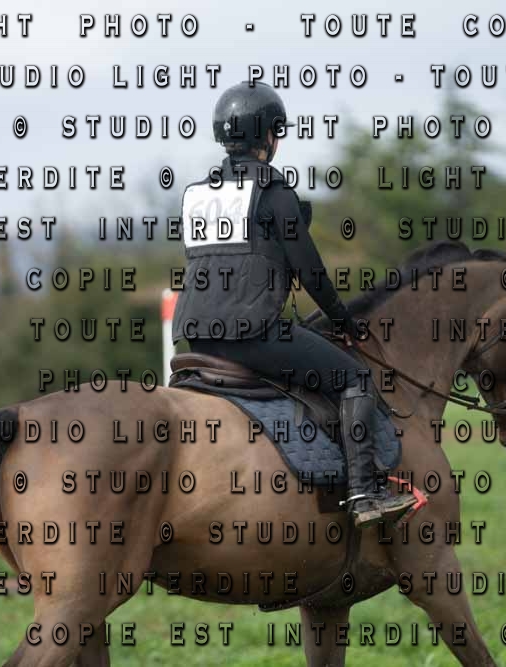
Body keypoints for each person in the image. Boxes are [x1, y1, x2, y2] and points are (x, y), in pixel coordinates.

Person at [171, 81, 416, 528]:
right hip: (251, 336)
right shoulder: (273, 192)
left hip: (194, 338)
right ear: (268, 136)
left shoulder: (196, 195)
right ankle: (364, 493)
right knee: (355, 379)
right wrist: (344, 321)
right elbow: (311, 272)